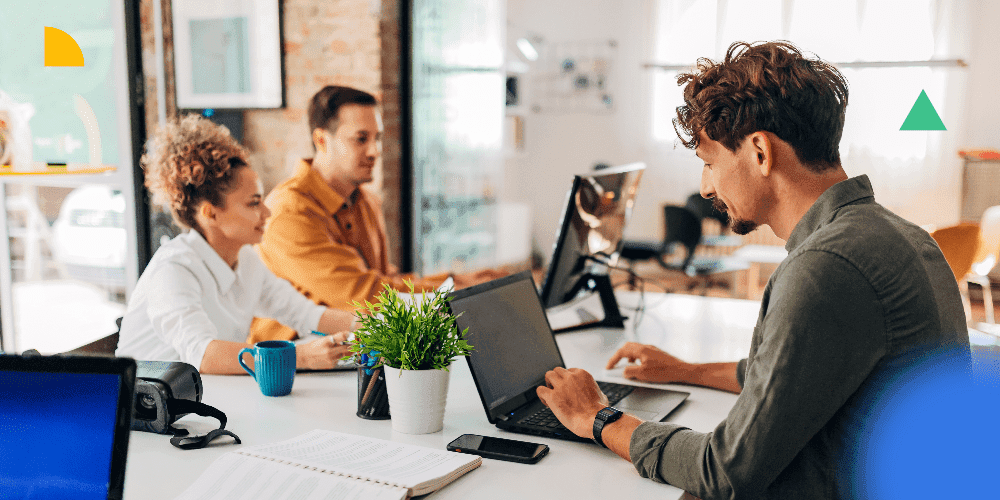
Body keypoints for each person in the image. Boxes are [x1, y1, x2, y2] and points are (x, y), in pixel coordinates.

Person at [535, 41, 969, 499]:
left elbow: (725, 471)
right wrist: (687, 370)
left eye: (709, 162)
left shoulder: (826, 267)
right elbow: (797, 373)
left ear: (760, 151)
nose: (705, 187)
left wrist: (598, 418)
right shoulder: (897, 236)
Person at [252, 85, 501, 342]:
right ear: (322, 140)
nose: (374, 151)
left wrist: (460, 281)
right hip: (295, 360)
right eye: (361, 139)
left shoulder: (366, 201)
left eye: (377, 138)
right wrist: (456, 290)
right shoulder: (288, 212)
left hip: (360, 347)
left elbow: (384, 281)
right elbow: (364, 295)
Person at [116, 114, 355, 374]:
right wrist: (302, 356)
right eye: (253, 203)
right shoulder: (173, 270)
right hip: (145, 408)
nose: (267, 213)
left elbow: (305, 314)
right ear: (210, 214)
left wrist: (382, 327)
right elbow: (204, 354)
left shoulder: (247, 260)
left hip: (206, 396)